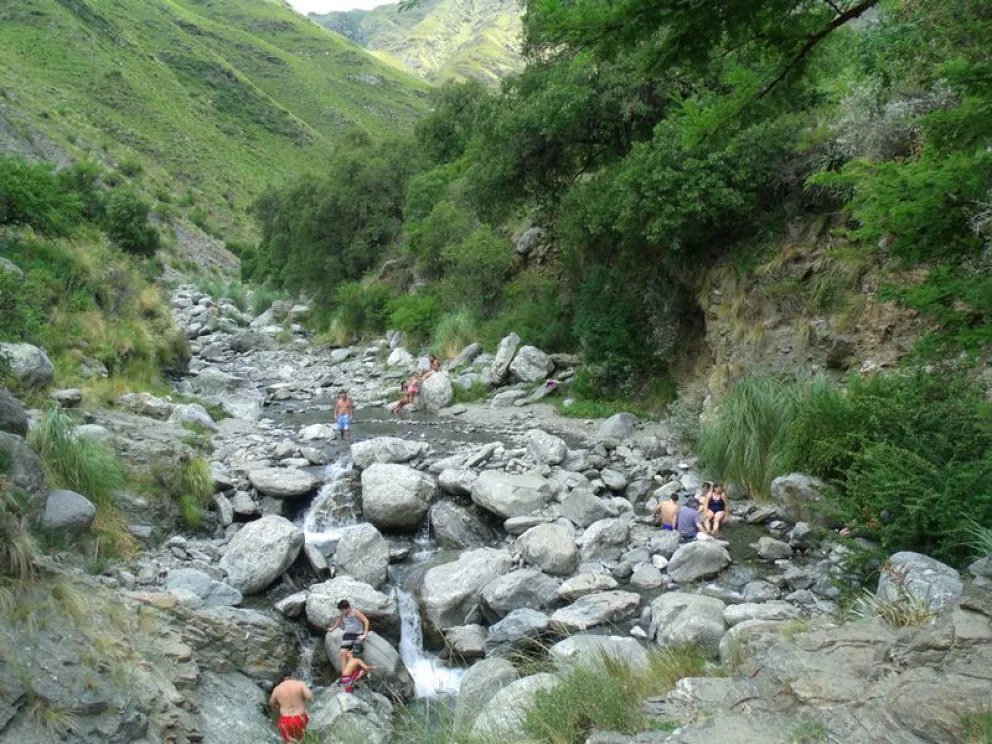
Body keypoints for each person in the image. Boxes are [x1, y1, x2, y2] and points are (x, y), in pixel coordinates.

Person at [269, 672, 313, 742]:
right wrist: (301, 698)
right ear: (293, 677)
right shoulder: (300, 684)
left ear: (283, 678)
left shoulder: (277, 688)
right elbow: (309, 696)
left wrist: (276, 705)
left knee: (288, 742)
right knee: (301, 740)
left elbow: (271, 702)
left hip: (285, 720)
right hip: (299, 718)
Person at [329, 599, 370, 668]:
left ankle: (355, 671)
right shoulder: (343, 614)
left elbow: (366, 621)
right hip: (348, 635)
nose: (341, 612)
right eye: (341, 610)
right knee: (342, 653)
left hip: (357, 635)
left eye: (342, 610)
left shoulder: (355, 612)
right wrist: (333, 628)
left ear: (347, 608)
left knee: (355, 653)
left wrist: (364, 634)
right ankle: (345, 674)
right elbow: (339, 621)